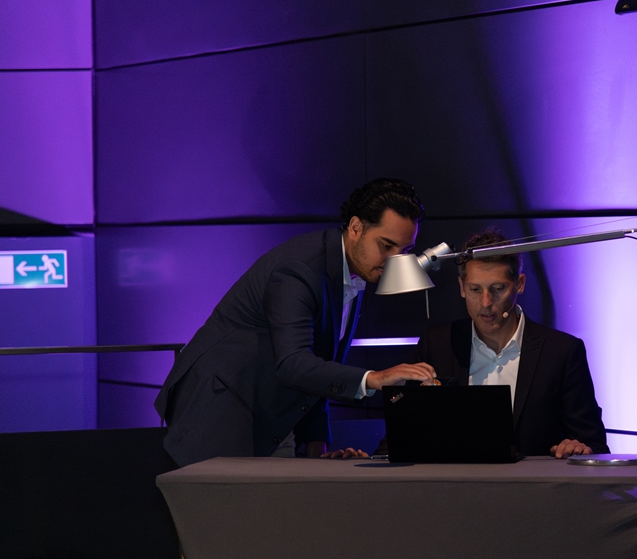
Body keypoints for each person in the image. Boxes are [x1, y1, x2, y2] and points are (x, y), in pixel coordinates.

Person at [155, 178, 437, 467]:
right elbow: (293, 363)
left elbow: (320, 361)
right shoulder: (299, 268)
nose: (394, 260)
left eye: (404, 251)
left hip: (269, 417)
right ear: (355, 228)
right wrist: (373, 378)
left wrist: (317, 444)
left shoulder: (356, 270)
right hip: (220, 412)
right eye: (386, 245)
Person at [415, 230, 609, 458]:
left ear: (520, 284)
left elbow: (593, 444)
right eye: (475, 289)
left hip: (533, 481)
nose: (485, 303)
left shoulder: (561, 352)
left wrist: (578, 447)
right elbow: (405, 435)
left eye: (498, 289)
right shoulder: (437, 344)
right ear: (461, 287)